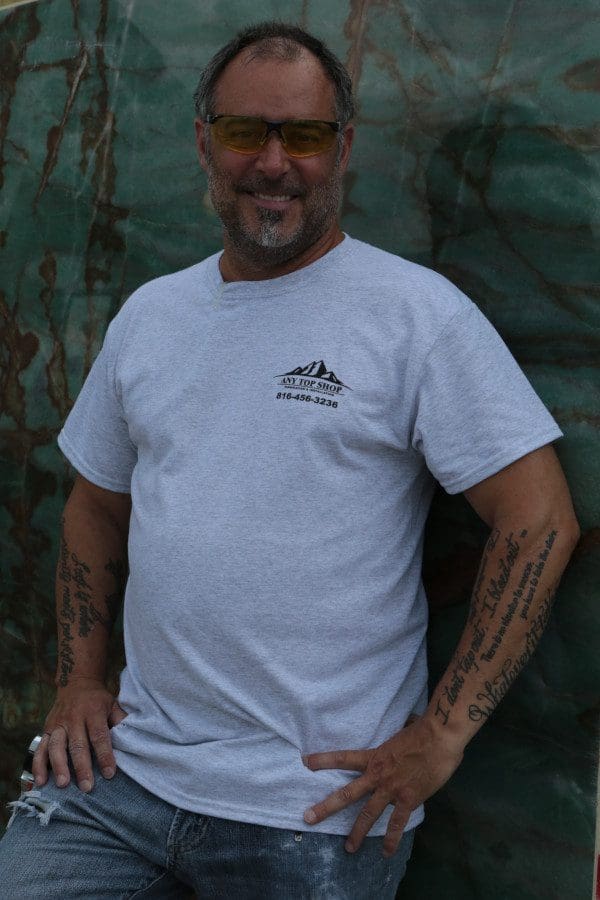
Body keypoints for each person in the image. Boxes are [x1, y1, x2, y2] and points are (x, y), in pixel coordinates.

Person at [0, 20, 579, 900]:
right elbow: (93, 506)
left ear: (343, 146)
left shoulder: (417, 318)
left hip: (313, 809)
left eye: (303, 135)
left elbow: (539, 518)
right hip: (123, 778)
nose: (273, 163)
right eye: (245, 132)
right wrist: (79, 680)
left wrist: (444, 735)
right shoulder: (151, 317)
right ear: (204, 141)